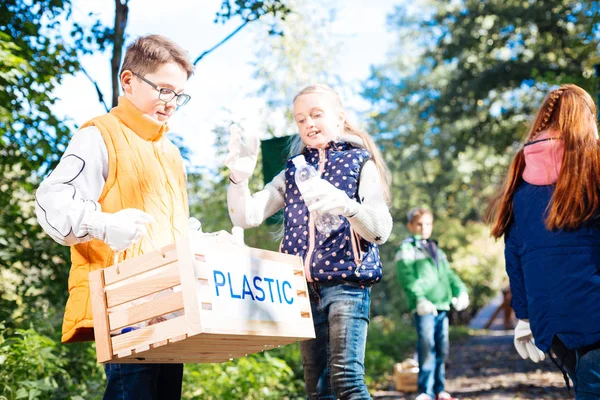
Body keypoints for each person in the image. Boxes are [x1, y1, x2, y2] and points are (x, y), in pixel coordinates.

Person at [35, 34, 196, 399]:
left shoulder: (171, 153)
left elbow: (166, 226)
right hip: (126, 304)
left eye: (179, 95)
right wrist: (102, 225)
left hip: (170, 307)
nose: (172, 104)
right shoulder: (98, 136)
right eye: (165, 90)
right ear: (128, 81)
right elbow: (51, 199)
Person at [225, 83, 393, 399]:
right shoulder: (292, 171)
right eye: (301, 119)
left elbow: (381, 229)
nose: (309, 124)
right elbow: (246, 217)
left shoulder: (360, 162)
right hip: (302, 289)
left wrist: (348, 206)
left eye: (317, 115)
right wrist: (239, 178)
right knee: (317, 389)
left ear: (340, 118)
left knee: (347, 382)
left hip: (347, 285)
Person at [487, 84, 600, 399]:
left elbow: (515, 254)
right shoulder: (595, 171)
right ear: (585, 119)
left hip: (550, 320)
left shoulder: (522, 181)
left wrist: (524, 316)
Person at [395, 207, 469, 400]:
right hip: (424, 307)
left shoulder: (437, 249)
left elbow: (449, 275)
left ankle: (439, 389)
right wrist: (419, 298)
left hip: (442, 305)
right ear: (410, 226)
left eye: (427, 224)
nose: (424, 228)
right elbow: (406, 276)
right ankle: (425, 391)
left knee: (441, 348)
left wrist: (460, 291)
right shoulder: (407, 248)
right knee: (427, 346)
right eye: (419, 224)